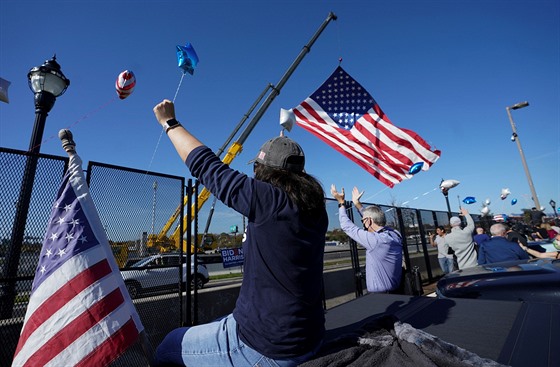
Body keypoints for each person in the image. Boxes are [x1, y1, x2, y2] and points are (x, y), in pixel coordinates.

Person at [152, 100, 328, 367]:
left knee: (169, 345)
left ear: (263, 171)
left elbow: (208, 167)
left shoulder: (269, 200)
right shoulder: (316, 210)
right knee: (216, 323)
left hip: (268, 347)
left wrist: (170, 123)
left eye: (256, 170)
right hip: (308, 336)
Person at [330, 185, 402, 293]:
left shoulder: (376, 241)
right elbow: (370, 218)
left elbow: (347, 226)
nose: (363, 223)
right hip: (396, 291)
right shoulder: (394, 234)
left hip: (381, 297)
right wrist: (357, 204)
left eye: (363, 221)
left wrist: (341, 203)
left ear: (368, 221)